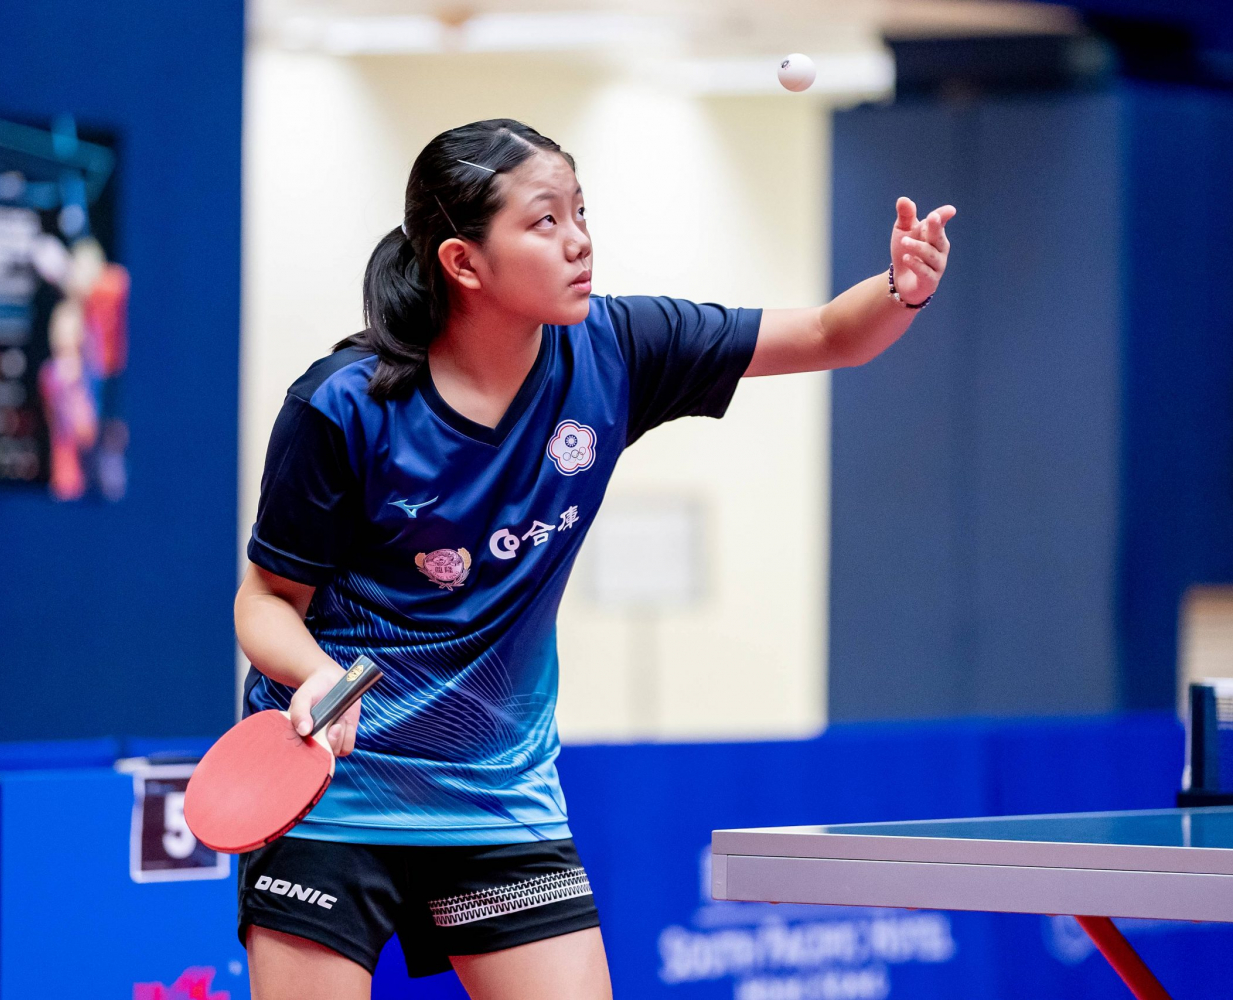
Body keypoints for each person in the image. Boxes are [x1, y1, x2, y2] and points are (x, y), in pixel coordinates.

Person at [234, 118, 954, 1000]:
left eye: (580, 212)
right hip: (334, 793)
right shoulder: (344, 407)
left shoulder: (614, 350)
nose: (579, 240)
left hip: (497, 798)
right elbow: (266, 600)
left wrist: (901, 288)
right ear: (463, 262)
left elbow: (827, 335)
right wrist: (316, 677)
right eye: (545, 221)